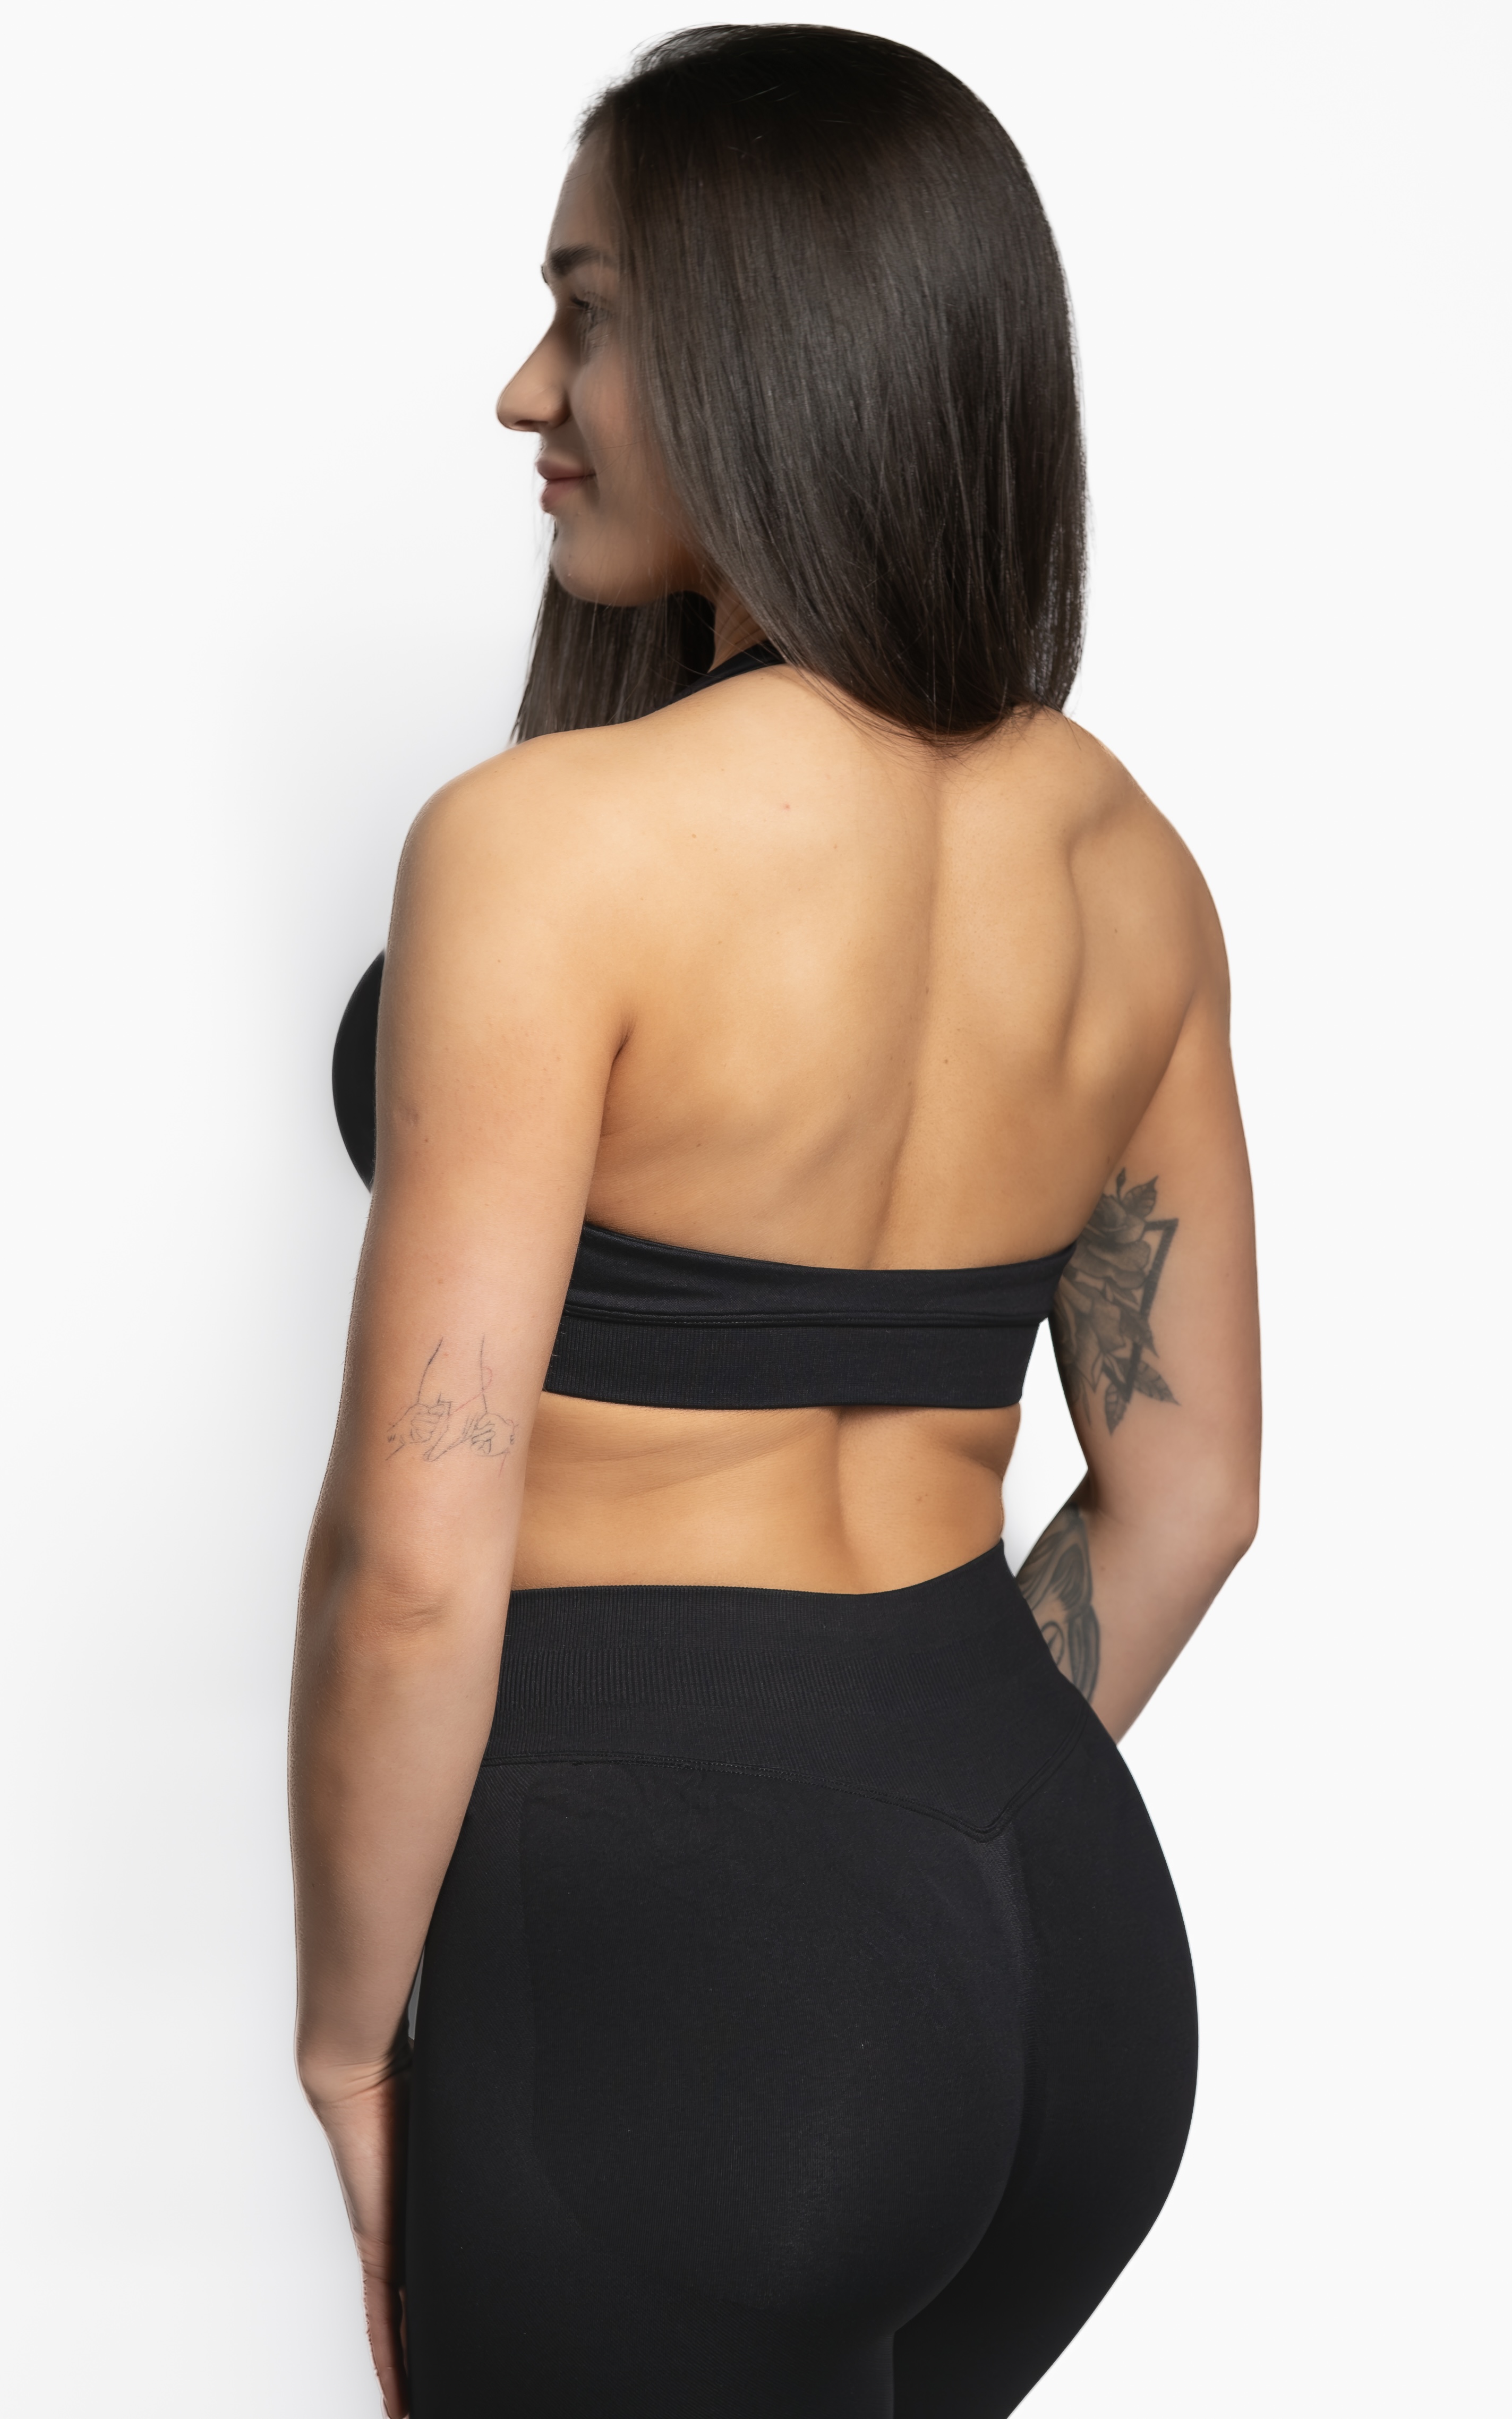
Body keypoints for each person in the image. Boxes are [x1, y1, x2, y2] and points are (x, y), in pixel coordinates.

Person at [290, 25, 1261, 2418]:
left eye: (591, 314)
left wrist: (349, 2037)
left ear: (770, 341)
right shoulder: (1127, 860)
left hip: (696, 1989)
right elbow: (1190, 1489)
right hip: (1059, 1939)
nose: (530, 389)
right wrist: (901, 1817)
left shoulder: (544, 850)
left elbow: (417, 1556)